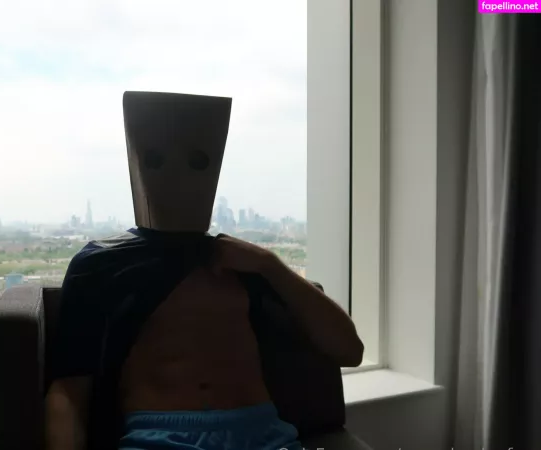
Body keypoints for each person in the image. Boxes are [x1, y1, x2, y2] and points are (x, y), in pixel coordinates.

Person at [44, 92, 364, 450]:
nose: (176, 178)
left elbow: (350, 350)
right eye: (155, 160)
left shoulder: (242, 264)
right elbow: (69, 389)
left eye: (197, 162)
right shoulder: (101, 264)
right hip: (161, 439)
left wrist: (271, 266)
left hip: (265, 437)